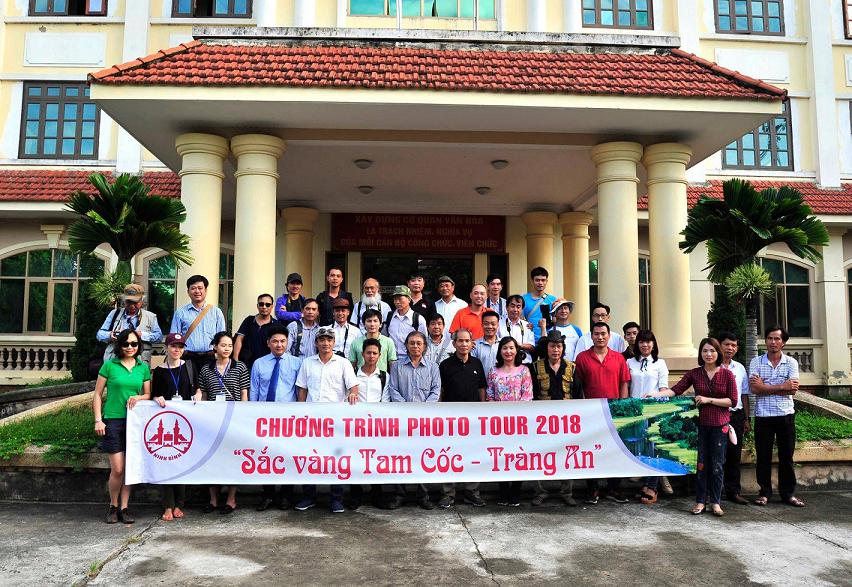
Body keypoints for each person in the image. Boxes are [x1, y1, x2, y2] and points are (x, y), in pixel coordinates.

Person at [647, 338, 737, 516]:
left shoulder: (727, 374)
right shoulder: (695, 373)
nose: (708, 354)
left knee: (718, 465)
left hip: (720, 426)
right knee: (701, 464)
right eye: (705, 351)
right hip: (700, 426)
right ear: (700, 354)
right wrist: (655, 394)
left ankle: (716, 502)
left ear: (718, 353)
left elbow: (732, 401)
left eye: (712, 350)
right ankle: (700, 501)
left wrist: (708, 400)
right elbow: (676, 390)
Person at [294, 326, 359, 513]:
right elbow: (302, 389)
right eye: (322, 340)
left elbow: (353, 386)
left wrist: (353, 395)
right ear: (316, 343)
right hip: (311, 419)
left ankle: (336, 498)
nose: (325, 343)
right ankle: (309, 496)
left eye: (329, 340)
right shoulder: (307, 363)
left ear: (334, 343)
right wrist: (300, 412)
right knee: (310, 457)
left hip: (335, 420)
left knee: (335, 459)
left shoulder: (343, 363)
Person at [93, 328, 151, 524]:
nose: (130, 347)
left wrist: (138, 396)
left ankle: (124, 507)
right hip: (113, 419)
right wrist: (98, 419)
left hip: (135, 421)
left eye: (134, 344)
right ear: (120, 345)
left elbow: (147, 395)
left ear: (138, 346)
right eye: (126, 343)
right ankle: (113, 504)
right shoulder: (109, 366)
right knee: (117, 468)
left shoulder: (142, 367)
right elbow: (97, 395)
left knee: (130, 467)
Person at [573, 321, 630, 504]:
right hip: (591, 413)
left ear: (609, 336)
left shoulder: (619, 358)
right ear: (591, 336)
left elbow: (624, 383)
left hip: (613, 411)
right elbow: (578, 385)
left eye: (603, 334)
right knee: (592, 452)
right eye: (596, 334)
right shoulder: (582, 358)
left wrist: (622, 406)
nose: (600, 337)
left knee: (615, 450)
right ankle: (592, 489)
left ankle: (613, 488)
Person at [194, 331, 249, 514]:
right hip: (212, 421)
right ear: (215, 347)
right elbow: (202, 391)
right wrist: (198, 396)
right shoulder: (206, 368)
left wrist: (242, 417)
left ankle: (231, 499)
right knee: (211, 458)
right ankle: (213, 499)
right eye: (223, 345)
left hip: (233, 420)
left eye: (230, 345)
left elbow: (244, 394)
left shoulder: (240, 367)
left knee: (233, 458)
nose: (227, 349)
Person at [749, 325, 804, 508]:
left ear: (784, 342)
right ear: (765, 341)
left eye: (777, 339)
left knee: (786, 456)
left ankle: (788, 494)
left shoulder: (791, 363)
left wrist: (766, 387)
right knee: (763, 456)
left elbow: (793, 389)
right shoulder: (756, 362)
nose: (773, 342)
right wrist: (782, 386)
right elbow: (755, 389)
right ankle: (764, 493)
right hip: (763, 416)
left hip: (785, 415)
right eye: (770, 338)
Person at [250, 323, 302, 511]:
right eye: (275, 342)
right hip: (266, 417)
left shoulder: (297, 363)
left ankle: (287, 494)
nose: (279, 345)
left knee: (288, 456)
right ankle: (268, 494)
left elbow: (299, 391)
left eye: (283, 341)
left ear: (288, 342)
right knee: (267, 456)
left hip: (289, 418)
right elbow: (255, 391)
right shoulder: (259, 363)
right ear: (268, 343)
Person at [386, 331, 441, 510]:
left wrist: (423, 410)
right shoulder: (397, 367)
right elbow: (393, 389)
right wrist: (407, 410)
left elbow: (436, 391)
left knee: (423, 457)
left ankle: (423, 495)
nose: (415, 346)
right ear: (406, 346)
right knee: (401, 457)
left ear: (424, 346)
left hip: (425, 422)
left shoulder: (433, 367)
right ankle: (399, 494)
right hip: (402, 420)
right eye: (412, 343)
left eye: (419, 343)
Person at [529, 330, 581, 507]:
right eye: (552, 346)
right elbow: (533, 395)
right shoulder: (535, 367)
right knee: (539, 455)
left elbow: (578, 395)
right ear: (547, 348)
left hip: (567, 420)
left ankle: (566, 491)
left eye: (559, 346)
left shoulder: (572, 367)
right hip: (541, 420)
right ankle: (540, 491)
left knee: (568, 455)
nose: (556, 350)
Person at [437, 328, 486, 508]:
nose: (464, 344)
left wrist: (482, 411)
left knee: (473, 456)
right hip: (450, 419)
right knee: (450, 455)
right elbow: (441, 391)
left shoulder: (477, 364)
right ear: (454, 343)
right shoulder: (445, 365)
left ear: (472, 343)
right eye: (460, 341)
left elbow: (482, 388)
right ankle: (448, 493)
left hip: (473, 420)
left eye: (467, 341)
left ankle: (472, 492)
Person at [151, 332, 195, 522]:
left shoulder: (190, 367)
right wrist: (156, 397)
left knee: (182, 461)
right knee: (167, 460)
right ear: (167, 347)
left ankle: (180, 503)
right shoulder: (159, 371)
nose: (177, 349)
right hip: (167, 422)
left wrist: (198, 394)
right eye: (174, 346)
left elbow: (196, 388)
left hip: (186, 421)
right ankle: (167, 504)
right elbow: (154, 393)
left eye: (180, 346)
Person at [626, 330, 671, 505]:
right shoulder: (629, 362)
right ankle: (644, 483)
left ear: (654, 344)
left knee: (653, 447)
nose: (645, 345)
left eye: (649, 341)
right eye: (642, 342)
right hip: (634, 410)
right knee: (639, 445)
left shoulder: (660, 363)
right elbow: (627, 385)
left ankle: (652, 486)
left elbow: (664, 388)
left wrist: (654, 397)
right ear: (637, 344)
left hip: (654, 409)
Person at [486, 336, 533, 506]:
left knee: (518, 456)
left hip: (519, 422)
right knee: (501, 457)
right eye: (505, 348)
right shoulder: (493, 371)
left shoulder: (524, 371)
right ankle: (503, 492)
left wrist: (515, 414)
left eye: (511, 348)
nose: (508, 351)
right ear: (500, 351)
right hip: (499, 423)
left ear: (517, 350)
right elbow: (489, 395)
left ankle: (515, 492)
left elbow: (527, 396)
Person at [350, 338, 391, 509]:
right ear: (362, 354)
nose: (371, 356)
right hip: (355, 425)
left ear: (380, 355)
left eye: (375, 353)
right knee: (354, 459)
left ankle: (377, 493)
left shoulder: (384, 376)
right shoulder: (352, 375)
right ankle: (355, 493)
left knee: (374, 460)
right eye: (368, 353)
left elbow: (386, 399)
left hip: (376, 425)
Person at [718, 331, 751, 505]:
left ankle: (733, 491)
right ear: (719, 345)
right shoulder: (713, 366)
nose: (730, 348)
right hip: (717, 415)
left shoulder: (740, 368)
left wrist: (746, 418)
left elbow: (744, 394)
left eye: (733, 345)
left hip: (736, 415)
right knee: (716, 454)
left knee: (734, 455)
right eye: (726, 344)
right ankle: (714, 491)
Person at [169, 275, 227, 374]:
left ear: (206, 290)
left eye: (200, 288)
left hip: (210, 357)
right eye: (193, 288)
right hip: (187, 357)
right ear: (188, 292)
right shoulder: (180, 313)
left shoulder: (216, 312)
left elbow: (222, 338)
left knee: (209, 388)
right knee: (189, 387)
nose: (197, 291)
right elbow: (174, 338)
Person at [97, 283, 162, 364]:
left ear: (142, 301)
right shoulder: (114, 314)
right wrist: (110, 335)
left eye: (135, 302)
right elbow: (99, 334)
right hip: (115, 362)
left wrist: (141, 335)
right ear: (124, 300)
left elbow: (159, 337)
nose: (132, 306)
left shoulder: (150, 317)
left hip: (139, 363)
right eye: (129, 302)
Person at [233, 293, 280, 370]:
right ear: (257, 306)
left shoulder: (276, 325)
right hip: (246, 364)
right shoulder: (249, 320)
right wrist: (235, 359)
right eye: (261, 304)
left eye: (267, 305)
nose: (264, 307)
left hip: (267, 365)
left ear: (272, 306)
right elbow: (239, 339)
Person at [383, 285, 427, 356]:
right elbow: (384, 337)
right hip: (392, 359)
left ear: (409, 299)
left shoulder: (418, 319)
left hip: (410, 358)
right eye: (395, 299)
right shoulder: (389, 317)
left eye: (400, 299)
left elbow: (424, 342)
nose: (397, 302)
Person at [522, 266, 557, 341]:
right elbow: (520, 320)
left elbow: (556, 321)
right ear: (532, 281)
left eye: (543, 280)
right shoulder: (524, 299)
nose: (540, 283)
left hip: (548, 340)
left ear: (546, 281)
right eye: (537, 280)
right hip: (530, 340)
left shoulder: (553, 299)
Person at [498, 295, 535, 364]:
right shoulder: (499, 324)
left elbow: (532, 347)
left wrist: (520, 346)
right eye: (512, 306)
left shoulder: (527, 325)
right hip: (504, 364)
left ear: (522, 309)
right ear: (506, 308)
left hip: (524, 363)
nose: (515, 309)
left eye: (518, 307)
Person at [472, 310, 501, 378]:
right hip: (482, 386)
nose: (490, 327)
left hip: (501, 385)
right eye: (486, 323)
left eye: (493, 324)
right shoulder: (475, 345)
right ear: (482, 325)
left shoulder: (504, 344)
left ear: (498, 325)